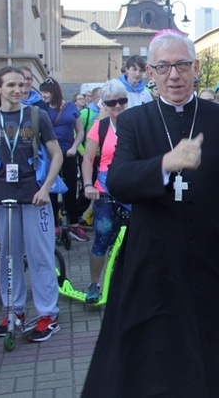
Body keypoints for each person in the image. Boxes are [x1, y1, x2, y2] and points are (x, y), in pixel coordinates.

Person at [83, 30, 219, 396]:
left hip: (210, 250)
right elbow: (119, 180)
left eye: (181, 65)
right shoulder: (132, 122)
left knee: (210, 339)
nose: (173, 75)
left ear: (196, 68)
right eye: (163, 67)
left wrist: (209, 217)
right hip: (154, 254)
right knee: (158, 349)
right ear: (150, 72)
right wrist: (165, 163)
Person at [0, 66, 63, 343]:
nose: (18, 90)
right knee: (9, 257)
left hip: (34, 195)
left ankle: (48, 314)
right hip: (3, 196)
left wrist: (46, 188)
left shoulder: (37, 115)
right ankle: (14, 311)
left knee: (40, 256)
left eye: (21, 85)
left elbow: (57, 155)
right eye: (11, 85)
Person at [80, 80, 129, 303]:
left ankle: (131, 282)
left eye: (122, 101)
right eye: (112, 102)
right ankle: (93, 284)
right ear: (104, 105)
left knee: (135, 239)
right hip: (105, 189)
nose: (118, 106)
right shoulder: (99, 127)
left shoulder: (136, 123)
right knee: (102, 237)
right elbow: (88, 159)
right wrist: (88, 185)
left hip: (131, 189)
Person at [39, 78, 87, 242]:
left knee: (70, 190)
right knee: (51, 191)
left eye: (45, 92)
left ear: (54, 92)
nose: (43, 95)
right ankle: (53, 226)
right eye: (42, 92)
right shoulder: (40, 107)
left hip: (68, 154)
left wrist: (74, 147)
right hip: (49, 156)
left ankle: (74, 225)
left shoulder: (71, 107)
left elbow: (80, 131)